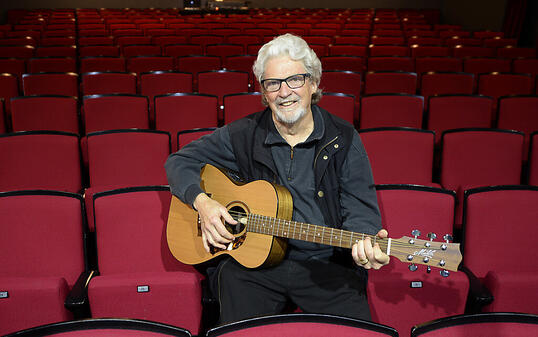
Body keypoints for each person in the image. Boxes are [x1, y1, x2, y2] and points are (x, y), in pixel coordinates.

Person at [165, 33, 389, 325]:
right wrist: (203, 204)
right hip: (255, 265)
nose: (284, 92)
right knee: (235, 330)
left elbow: (361, 209)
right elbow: (179, 161)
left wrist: (365, 246)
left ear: (313, 83)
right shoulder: (244, 133)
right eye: (273, 83)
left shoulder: (343, 139)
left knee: (360, 332)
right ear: (264, 91)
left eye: (295, 79)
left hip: (326, 264)